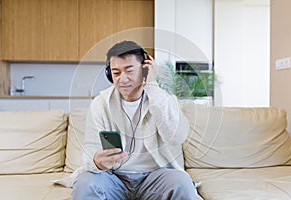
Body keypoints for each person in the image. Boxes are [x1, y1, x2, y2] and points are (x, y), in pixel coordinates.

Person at [72, 41, 201, 199]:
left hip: (155, 177)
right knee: (85, 183)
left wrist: (152, 86)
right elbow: (89, 151)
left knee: (181, 182)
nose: (123, 79)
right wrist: (96, 162)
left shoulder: (164, 99)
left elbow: (175, 137)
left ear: (145, 70)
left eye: (129, 70)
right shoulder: (100, 104)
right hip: (114, 178)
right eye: (116, 72)